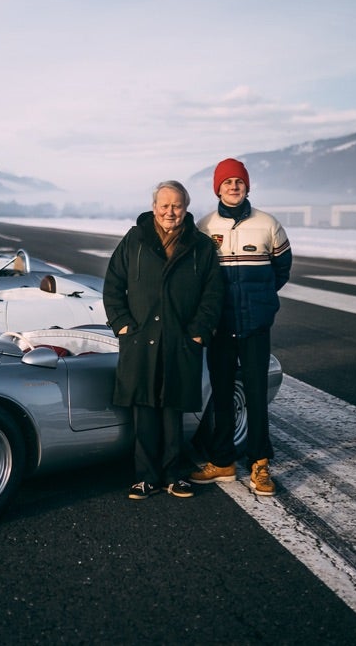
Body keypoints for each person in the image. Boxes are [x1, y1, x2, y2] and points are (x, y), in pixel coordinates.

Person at [103, 181, 223, 500]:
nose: (171, 212)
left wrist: (199, 331)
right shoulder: (135, 240)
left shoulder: (200, 245)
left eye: (177, 205)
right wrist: (123, 326)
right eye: (165, 205)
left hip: (180, 339)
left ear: (186, 208)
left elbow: (213, 294)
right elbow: (113, 284)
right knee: (144, 408)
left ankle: (173, 475)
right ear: (154, 206)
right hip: (141, 340)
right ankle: (145, 477)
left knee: (173, 407)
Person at [190, 159, 291, 496]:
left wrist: (261, 301)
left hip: (254, 327)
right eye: (227, 182)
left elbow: (281, 268)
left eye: (239, 181)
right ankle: (223, 461)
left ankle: (260, 464)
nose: (233, 187)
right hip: (220, 327)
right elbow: (199, 275)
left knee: (255, 395)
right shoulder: (205, 227)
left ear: (247, 186)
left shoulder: (267, 224)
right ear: (217, 188)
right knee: (220, 395)